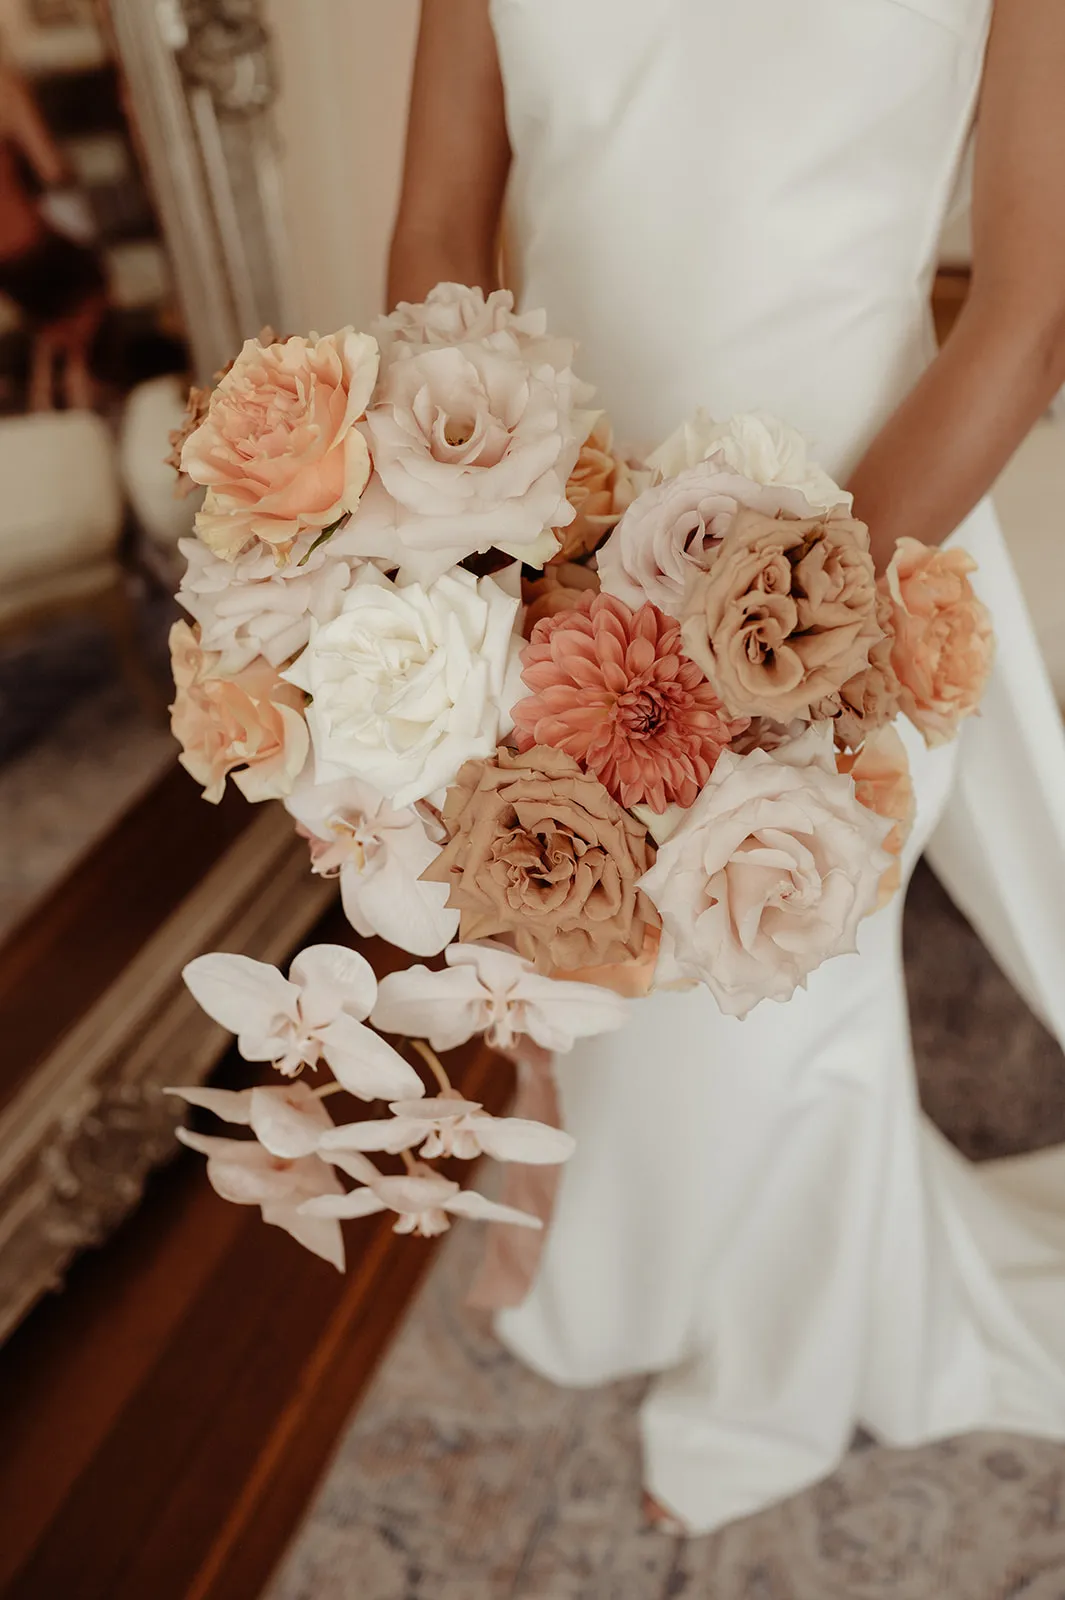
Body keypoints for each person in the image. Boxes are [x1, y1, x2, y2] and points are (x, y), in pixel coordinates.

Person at [388, 0, 1065, 1535]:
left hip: (860, 543)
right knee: (608, 973)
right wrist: (475, 533)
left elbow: (1030, 309)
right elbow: (437, 213)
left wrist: (790, 637)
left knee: (780, 987)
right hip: (555, 539)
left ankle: (786, 1368)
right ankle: (630, 1287)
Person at [0, 56, 107, 411]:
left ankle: (77, 374)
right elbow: (52, 169)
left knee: (70, 340)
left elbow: (52, 170)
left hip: (33, 256)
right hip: (35, 253)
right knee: (74, 339)